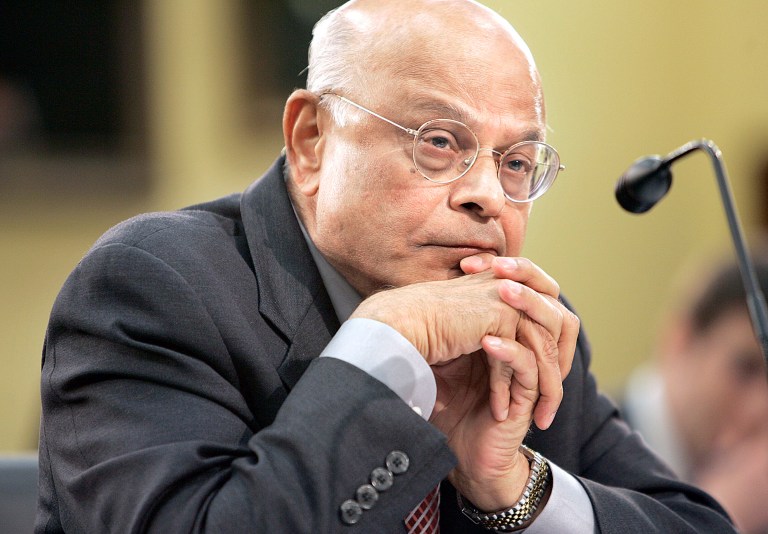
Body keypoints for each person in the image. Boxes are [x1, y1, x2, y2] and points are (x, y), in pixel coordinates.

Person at [37, 1, 737, 532]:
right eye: (440, 141)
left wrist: (513, 488)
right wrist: (383, 352)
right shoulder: (153, 287)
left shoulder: (522, 327)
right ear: (311, 140)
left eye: (517, 162)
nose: (489, 196)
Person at [623, 252, 768, 533]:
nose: (760, 407)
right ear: (681, 341)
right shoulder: (576, 447)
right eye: (746, 368)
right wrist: (716, 519)